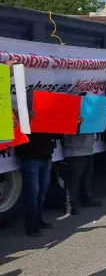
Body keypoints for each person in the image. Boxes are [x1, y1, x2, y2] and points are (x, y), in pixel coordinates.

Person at [15, 89, 63, 237]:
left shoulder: (46, 115)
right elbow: (17, 134)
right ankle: (31, 226)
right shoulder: (21, 114)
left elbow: (57, 135)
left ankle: (38, 220)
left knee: (42, 191)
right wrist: (27, 120)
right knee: (32, 193)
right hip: (30, 158)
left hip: (45, 157)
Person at [62, 92, 103, 215]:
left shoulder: (89, 112)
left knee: (87, 177)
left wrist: (102, 121)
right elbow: (64, 133)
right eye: (82, 98)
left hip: (88, 149)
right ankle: (70, 206)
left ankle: (86, 199)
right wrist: (77, 124)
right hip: (74, 151)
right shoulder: (68, 112)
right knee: (73, 181)